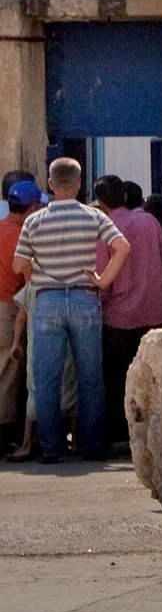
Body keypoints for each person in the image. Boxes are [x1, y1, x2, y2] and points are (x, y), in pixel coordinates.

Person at [12, 159, 130, 463]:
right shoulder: (93, 216)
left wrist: (41, 267)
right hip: (84, 297)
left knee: (46, 377)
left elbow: (18, 265)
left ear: (50, 184)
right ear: (79, 183)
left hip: (48, 300)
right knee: (90, 376)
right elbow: (122, 247)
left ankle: (51, 448)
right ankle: (91, 446)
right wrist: (103, 281)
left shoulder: (33, 221)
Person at [92, 176, 162, 454]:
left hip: (118, 317)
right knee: (153, 378)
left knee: (117, 379)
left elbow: (103, 276)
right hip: (154, 313)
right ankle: (156, 433)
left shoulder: (105, 228)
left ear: (101, 202)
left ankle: (119, 435)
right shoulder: (149, 221)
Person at [0, 177, 37, 456]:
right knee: (10, 372)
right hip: (10, 306)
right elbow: (28, 278)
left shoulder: (2, 228)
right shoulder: (20, 236)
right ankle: (6, 435)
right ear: (31, 206)